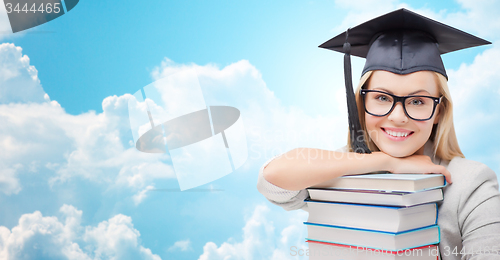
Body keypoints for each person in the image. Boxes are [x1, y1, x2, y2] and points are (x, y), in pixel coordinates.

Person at [257, 9, 500, 259]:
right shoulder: (338, 168)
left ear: (439, 110)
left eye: (417, 101)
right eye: (382, 98)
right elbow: (272, 179)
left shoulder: (471, 183)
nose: (398, 116)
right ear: (361, 104)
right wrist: (386, 163)